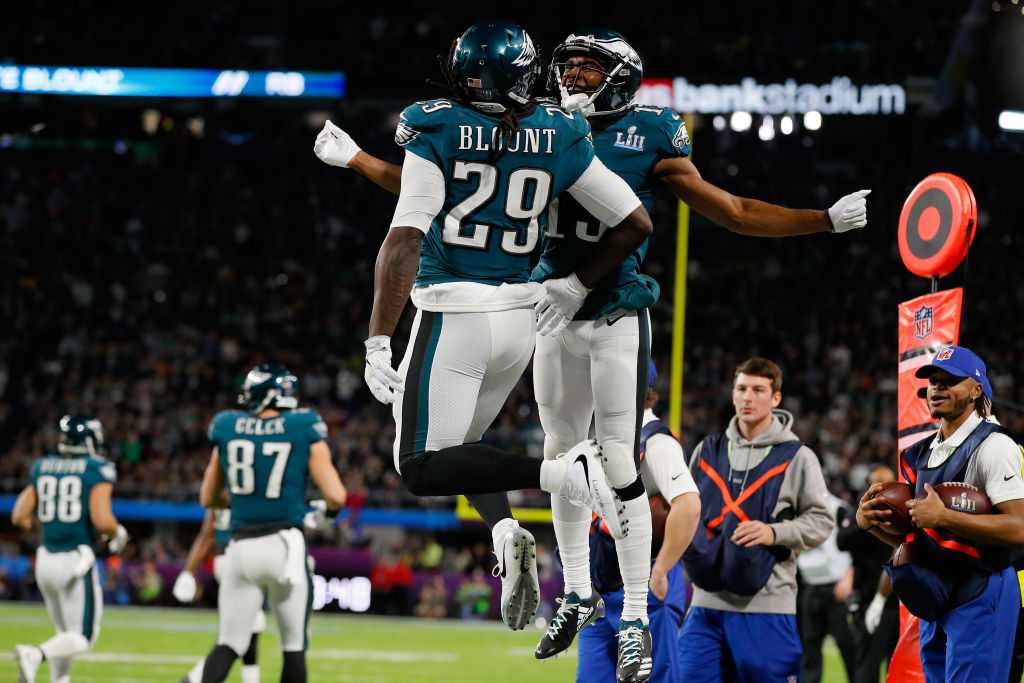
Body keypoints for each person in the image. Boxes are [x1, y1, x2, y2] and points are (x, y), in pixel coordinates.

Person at [316, 28, 869, 677]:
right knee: (504, 450)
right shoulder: (554, 129)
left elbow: (729, 208)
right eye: (569, 65)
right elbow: (460, 192)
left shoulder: (627, 133)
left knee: (598, 460)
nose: (575, 76)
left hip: (589, 307)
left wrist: (820, 219)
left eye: (589, 67)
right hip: (537, 310)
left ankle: (633, 612)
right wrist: (360, 160)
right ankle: (570, 583)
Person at [346, 20, 656, 638]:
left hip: (454, 312)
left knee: (420, 466)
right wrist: (577, 283)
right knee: (466, 450)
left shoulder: (434, 123)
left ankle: (565, 475)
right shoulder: (561, 129)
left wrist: (379, 335)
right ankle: (505, 531)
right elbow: (635, 221)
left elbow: (405, 236)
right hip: (523, 316)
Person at [856, 344, 1024, 683]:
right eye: (933, 380)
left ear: (977, 390)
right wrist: (871, 524)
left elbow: (1020, 527)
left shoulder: (994, 446)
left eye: (950, 380)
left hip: (982, 585)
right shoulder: (918, 453)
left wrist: (945, 517)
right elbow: (922, 534)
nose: (937, 388)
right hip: (935, 591)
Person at [678, 358, 834, 682]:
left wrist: (773, 532)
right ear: (733, 394)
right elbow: (687, 510)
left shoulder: (798, 456)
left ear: (775, 398)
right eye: (741, 388)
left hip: (766, 608)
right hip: (705, 606)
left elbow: (821, 522)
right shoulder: (707, 449)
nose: (748, 397)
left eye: (758, 390)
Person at [196, 364, 347, 683]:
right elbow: (336, 495)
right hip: (284, 547)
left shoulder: (227, 425)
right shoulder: (303, 424)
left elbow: (208, 497)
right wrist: (323, 513)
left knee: (229, 643)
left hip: (240, 546)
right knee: (293, 646)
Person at [566, 361, 700, 683]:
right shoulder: (600, 437)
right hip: (600, 587)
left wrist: (662, 569)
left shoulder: (656, 442)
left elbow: (689, 505)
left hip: (641, 588)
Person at [11, 415, 130, 683]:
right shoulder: (95, 468)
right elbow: (102, 518)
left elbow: (19, 516)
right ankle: (35, 654)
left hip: (45, 558)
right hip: (76, 559)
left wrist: (48, 526)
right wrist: (117, 531)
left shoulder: (43, 466)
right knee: (83, 637)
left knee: (63, 633)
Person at [173, 509, 265, 683]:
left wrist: (189, 571)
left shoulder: (222, 487)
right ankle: (194, 679)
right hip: (240, 558)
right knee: (236, 635)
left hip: (229, 559)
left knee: (252, 624)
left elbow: (206, 534)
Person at [837, 464, 901, 683]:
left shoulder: (901, 511)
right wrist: (866, 521)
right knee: (868, 663)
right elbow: (841, 541)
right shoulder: (860, 511)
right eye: (876, 484)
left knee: (900, 666)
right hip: (867, 597)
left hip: (899, 598)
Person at [797, 488, 857, 682]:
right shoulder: (796, 507)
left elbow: (854, 543)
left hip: (836, 587)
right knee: (809, 648)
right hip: (809, 584)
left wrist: (848, 577)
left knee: (848, 648)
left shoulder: (837, 508)